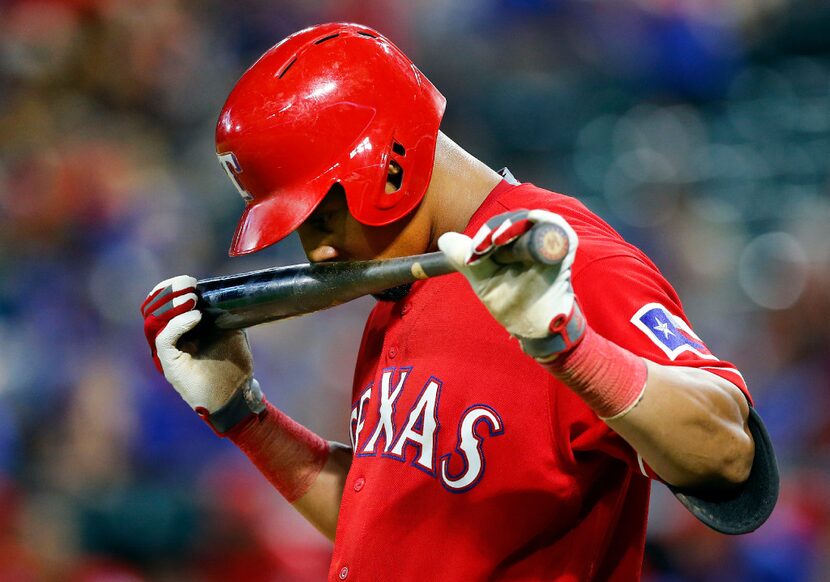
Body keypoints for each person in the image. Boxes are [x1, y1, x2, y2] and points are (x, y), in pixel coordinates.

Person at [141, 23, 776, 580]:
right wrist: (246, 418)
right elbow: (391, 534)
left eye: (321, 217)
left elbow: (732, 457)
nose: (319, 255)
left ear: (388, 167)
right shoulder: (400, 280)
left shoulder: (564, 258)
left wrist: (569, 347)